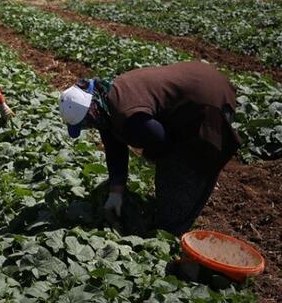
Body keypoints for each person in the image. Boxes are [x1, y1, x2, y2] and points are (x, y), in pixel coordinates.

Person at [59, 61, 241, 235]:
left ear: (93, 112)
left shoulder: (129, 117)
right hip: (198, 77)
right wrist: (116, 190)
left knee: (185, 170)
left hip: (207, 99)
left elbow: (162, 142)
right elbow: (114, 145)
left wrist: (151, 157)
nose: (89, 127)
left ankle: (173, 229)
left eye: (87, 123)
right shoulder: (108, 99)